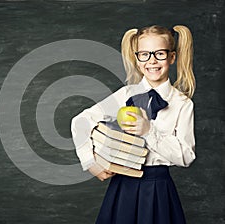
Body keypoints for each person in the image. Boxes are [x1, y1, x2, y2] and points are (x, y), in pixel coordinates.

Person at [71, 25, 196, 224]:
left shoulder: (182, 104)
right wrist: (90, 163)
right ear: (137, 60)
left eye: (160, 54)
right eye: (145, 54)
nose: (152, 61)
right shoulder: (125, 95)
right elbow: (80, 122)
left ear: (172, 57)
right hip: (123, 186)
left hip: (159, 189)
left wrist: (149, 131)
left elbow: (186, 157)